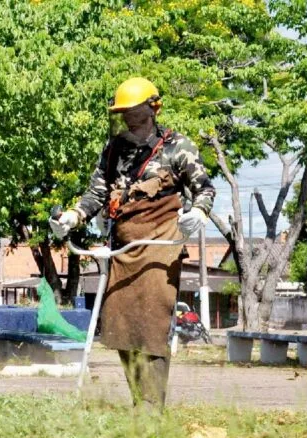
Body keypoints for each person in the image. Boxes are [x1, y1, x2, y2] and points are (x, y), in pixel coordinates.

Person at [49, 77, 215, 410]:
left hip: (161, 244)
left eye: (134, 111)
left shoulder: (178, 146)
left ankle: (152, 407)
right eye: (123, 112)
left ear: (152, 109)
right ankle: (140, 400)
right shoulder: (114, 149)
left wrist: (199, 211)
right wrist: (73, 216)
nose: (128, 118)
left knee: (152, 324)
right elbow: (96, 193)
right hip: (123, 245)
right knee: (121, 324)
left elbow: (205, 188)